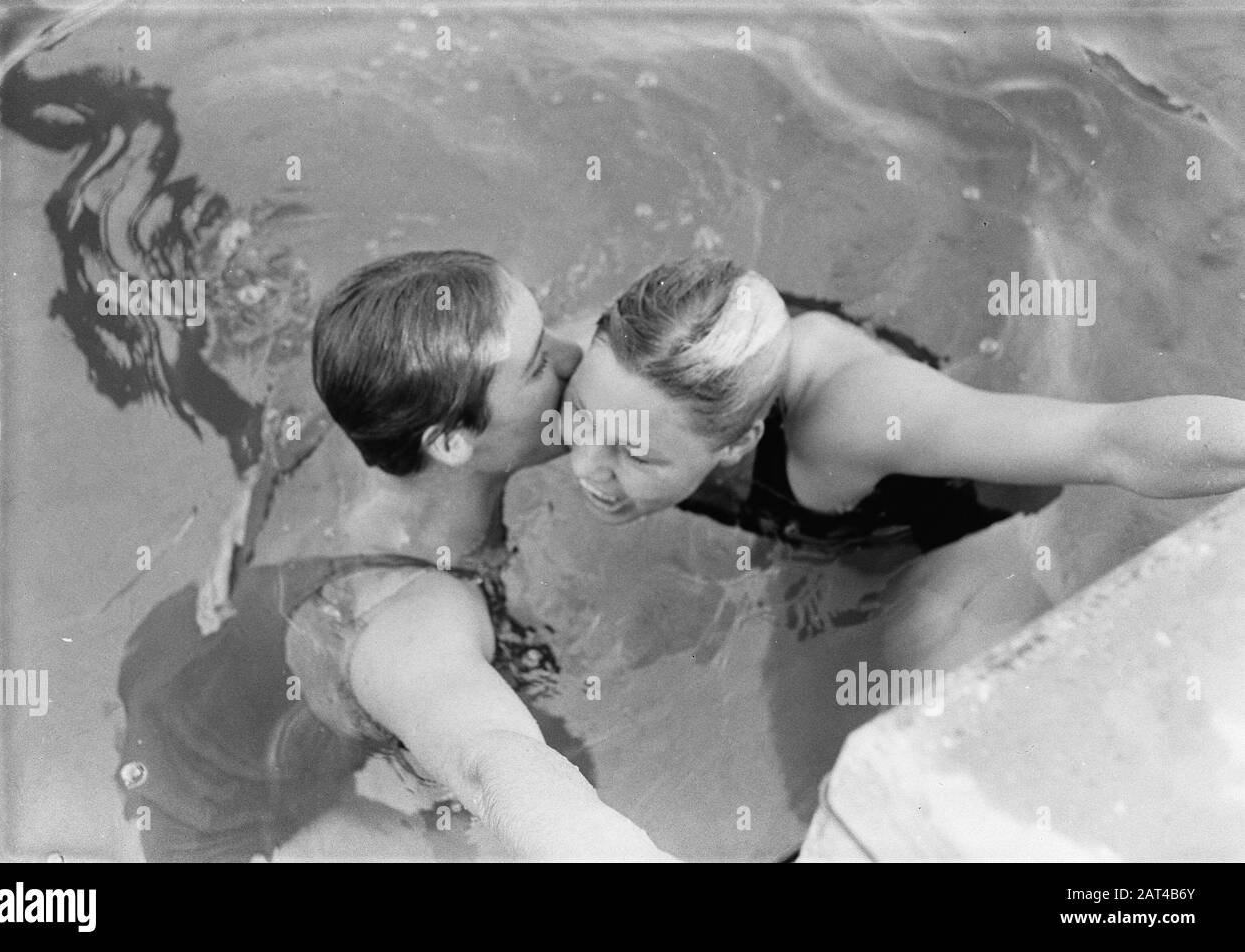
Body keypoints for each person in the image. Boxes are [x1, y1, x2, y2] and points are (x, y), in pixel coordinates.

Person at [118, 250, 674, 862]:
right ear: (451, 443)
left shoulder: (357, 391)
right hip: (212, 805)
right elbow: (489, 757)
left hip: (194, 657)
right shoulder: (410, 612)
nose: (574, 360)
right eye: (541, 364)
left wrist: (256, 485)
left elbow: (307, 383)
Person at [564, 254, 1245, 545]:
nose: (583, 467)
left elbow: (1110, 442)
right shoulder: (614, 359)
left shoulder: (857, 416)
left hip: (957, 516)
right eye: (580, 420)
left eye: (631, 454)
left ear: (739, 442)